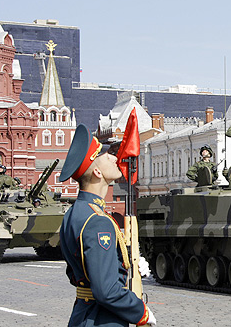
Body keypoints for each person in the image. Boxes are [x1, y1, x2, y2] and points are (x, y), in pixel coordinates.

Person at [58, 124, 156, 326]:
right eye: (105, 155)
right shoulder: (97, 221)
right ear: (97, 172)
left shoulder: (74, 214)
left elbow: (76, 273)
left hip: (83, 314)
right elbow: (107, 291)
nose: (114, 158)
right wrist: (141, 312)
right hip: (102, 319)